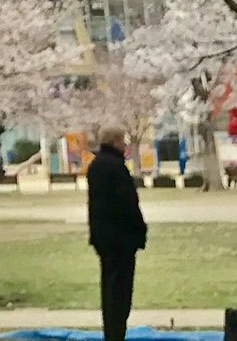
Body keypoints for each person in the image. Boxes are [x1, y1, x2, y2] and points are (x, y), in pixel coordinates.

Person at [87, 126, 148, 341]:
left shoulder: (96, 165)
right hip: (121, 238)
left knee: (109, 288)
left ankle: (112, 333)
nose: (125, 145)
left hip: (104, 237)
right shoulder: (115, 167)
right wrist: (140, 230)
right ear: (115, 142)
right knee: (120, 292)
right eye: (122, 141)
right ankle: (116, 334)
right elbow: (127, 203)